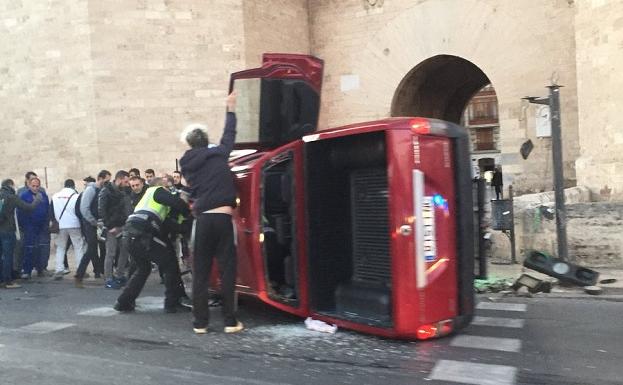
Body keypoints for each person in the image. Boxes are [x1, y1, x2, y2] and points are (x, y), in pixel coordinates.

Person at [179, 91, 243, 334]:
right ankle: (229, 321)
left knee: (201, 273)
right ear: (207, 141)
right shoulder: (219, 154)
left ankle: (200, 323)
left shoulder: (186, 163)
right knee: (227, 270)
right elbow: (230, 135)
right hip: (223, 218)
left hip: (202, 220)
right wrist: (230, 109)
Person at [113, 177, 191, 313]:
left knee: (143, 268)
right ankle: (172, 303)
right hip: (142, 234)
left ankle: (123, 302)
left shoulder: (150, 204)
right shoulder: (156, 190)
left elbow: (169, 226)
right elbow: (177, 204)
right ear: (160, 185)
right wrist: (187, 210)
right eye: (167, 187)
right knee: (170, 263)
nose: (169, 190)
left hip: (130, 234)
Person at [0, 179, 42, 288]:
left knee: (1, 256)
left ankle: (1, 280)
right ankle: (7, 281)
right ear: (10, 185)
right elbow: (28, 207)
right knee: (8, 256)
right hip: (8, 230)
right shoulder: (12, 197)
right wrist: (37, 200)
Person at [75, 170, 111, 287]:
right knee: (91, 249)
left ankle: (102, 272)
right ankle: (79, 275)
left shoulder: (102, 190)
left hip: (99, 223)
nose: (108, 183)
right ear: (100, 178)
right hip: (90, 223)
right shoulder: (91, 190)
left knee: (104, 248)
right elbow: (84, 208)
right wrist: (94, 222)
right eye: (106, 180)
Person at [99, 170, 132, 289]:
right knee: (111, 253)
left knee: (124, 251)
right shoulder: (106, 191)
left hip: (123, 225)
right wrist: (109, 226)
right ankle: (108, 278)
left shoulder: (124, 191)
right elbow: (102, 210)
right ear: (120, 179)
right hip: (111, 227)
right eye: (126, 181)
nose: (128, 184)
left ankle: (119, 275)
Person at [17, 177, 50, 279]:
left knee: (41, 249)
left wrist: (46, 223)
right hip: (29, 226)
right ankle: (27, 270)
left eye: (37, 186)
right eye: (33, 186)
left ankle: (40, 269)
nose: (35, 188)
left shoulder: (43, 196)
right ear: (29, 185)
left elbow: (47, 210)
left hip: (41, 226)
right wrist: (24, 225)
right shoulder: (24, 196)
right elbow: (20, 212)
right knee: (30, 248)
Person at [51, 179, 85, 280]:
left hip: (60, 225)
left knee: (60, 247)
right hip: (74, 224)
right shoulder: (76, 196)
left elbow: (51, 211)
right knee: (78, 247)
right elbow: (80, 211)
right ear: (73, 186)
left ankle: (59, 269)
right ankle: (80, 269)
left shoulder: (55, 196)